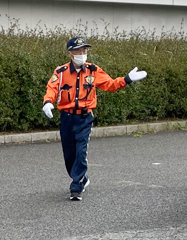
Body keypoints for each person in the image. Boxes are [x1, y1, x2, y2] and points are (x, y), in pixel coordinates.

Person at [42, 37, 147, 201]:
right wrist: (48, 102)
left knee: (81, 152)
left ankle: (76, 186)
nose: (82, 54)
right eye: (78, 51)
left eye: (84, 51)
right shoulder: (60, 72)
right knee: (69, 155)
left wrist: (126, 79)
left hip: (84, 118)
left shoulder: (93, 70)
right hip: (67, 118)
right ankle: (81, 177)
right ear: (70, 53)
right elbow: (52, 88)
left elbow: (110, 85)